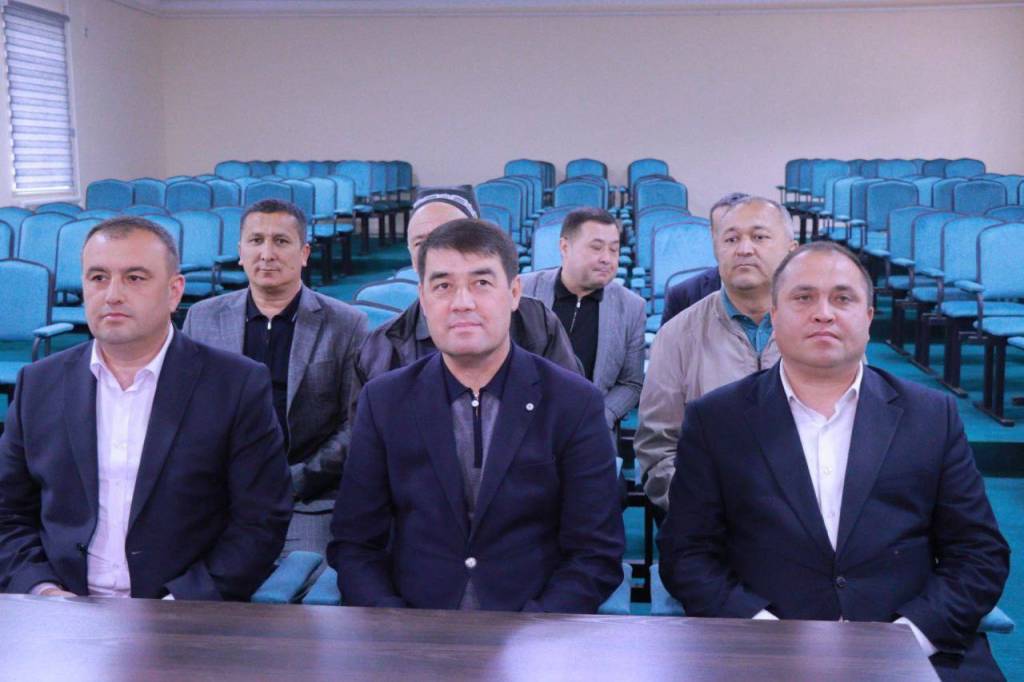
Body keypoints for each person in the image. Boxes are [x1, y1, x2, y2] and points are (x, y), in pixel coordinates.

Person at [658, 241, 1010, 682]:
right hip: (763, 654)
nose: (823, 313)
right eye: (803, 298)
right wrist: (765, 633)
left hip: (914, 650)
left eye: (843, 299)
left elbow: (978, 554)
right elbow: (686, 556)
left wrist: (908, 638)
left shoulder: (930, 416)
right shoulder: (716, 420)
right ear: (775, 314)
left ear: (868, 316)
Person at [329, 219, 624, 612]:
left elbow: (595, 553)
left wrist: (535, 629)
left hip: (536, 627)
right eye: (443, 286)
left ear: (514, 293)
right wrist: (395, 622)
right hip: (413, 623)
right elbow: (355, 545)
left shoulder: (573, 403)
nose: (462, 303)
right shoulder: (384, 401)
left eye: (482, 283)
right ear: (423, 299)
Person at [0, 217, 291, 600]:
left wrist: (180, 602)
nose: (112, 295)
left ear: (174, 292)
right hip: (59, 607)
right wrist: (43, 589)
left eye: (134, 278)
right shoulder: (39, 384)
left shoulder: (236, 385)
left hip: (182, 610)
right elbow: (7, 513)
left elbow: (260, 521)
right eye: (98, 278)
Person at [183, 199, 367, 555]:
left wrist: (295, 480)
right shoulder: (202, 318)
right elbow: (185, 413)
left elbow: (355, 424)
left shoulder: (346, 324)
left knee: (307, 579)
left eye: (281, 241)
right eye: (256, 241)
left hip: (307, 496)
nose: (267, 254)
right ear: (240, 252)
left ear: (304, 253)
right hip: (219, 494)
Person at [636, 195, 796, 514]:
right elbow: (658, 447)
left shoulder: (823, 330)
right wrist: (706, 513)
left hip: (805, 524)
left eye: (759, 237)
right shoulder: (677, 335)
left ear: (792, 249)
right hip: (708, 522)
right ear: (716, 249)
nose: (744, 249)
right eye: (731, 239)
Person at [352, 188, 580, 399]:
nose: (437, 251)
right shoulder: (380, 349)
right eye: (422, 243)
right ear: (412, 257)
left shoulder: (536, 323)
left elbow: (571, 405)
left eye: (453, 237)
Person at [520, 207, 645, 430]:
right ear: (564, 247)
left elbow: (631, 383)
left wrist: (600, 415)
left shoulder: (632, 307)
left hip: (591, 429)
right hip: (525, 423)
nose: (607, 258)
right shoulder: (523, 291)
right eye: (596, 248)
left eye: (614, 249)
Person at [659, 193, 748, 327]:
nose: (744, 249)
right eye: (731, 238)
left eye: (756, 237)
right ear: (713, 236)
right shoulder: (682, 296)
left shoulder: (781, 293)